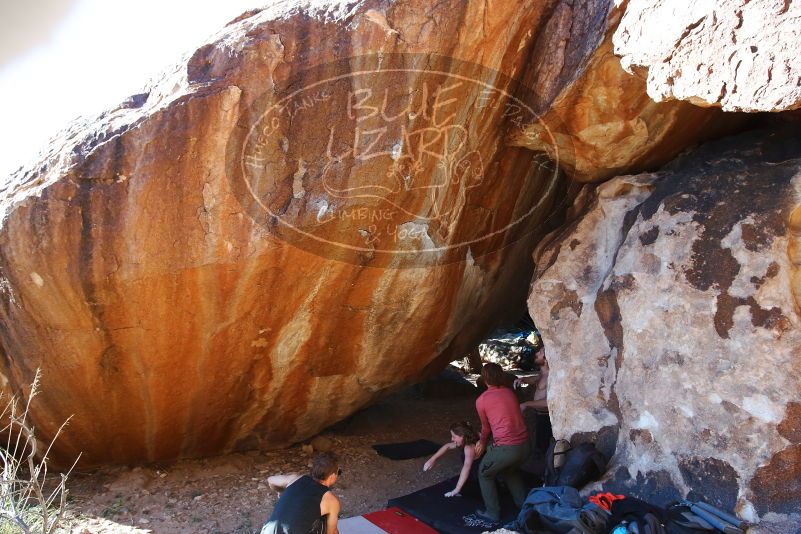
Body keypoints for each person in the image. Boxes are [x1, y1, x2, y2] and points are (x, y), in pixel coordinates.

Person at [474, 362, 531, 524]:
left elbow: (486, 428)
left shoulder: (482, 400)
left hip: (508, 450)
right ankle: (524, 506)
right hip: (526, 446)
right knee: (509, 471)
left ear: (484, 379)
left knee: (484, 473)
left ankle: (492, 513)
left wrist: (482, 443)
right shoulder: (509, 393)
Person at [261, 452, 341, 534]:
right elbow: (331, 532)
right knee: (323, 522)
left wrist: (282, 491)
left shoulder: (294, 479)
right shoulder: (331, 500)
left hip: (267, 531)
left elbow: (271, 480)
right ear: (332, 476)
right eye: (339, 472)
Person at [422, 421, 479, 497]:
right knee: (457, 484)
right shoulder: (467, 439)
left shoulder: (469, 448)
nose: (451, 439)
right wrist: (432, 459)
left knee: (465, 490)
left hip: (478, 472)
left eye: (454, 436)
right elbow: (447, 446)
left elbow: (466, 468)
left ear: (462, 436)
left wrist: (457, 490)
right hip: (473, 469)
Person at [518, 347, 549, 412]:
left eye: (540, 353)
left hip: (546, 416)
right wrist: (523, 379)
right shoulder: (542, 373)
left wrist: (526, 404)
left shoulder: (550, 376)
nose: (536, 353)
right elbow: (535, 379)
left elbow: (549, 401)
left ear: (546, 359)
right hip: (539, 414)